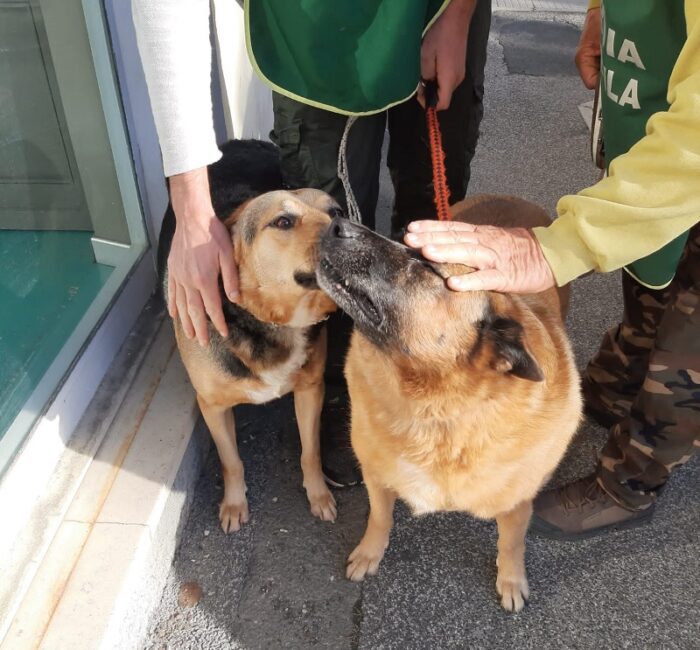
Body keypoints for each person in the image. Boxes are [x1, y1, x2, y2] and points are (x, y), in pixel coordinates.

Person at [132, 0, 492, 485]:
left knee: (430, 213)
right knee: (330, 225)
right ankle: (347, 388)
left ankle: (429, 382)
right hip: (311, 34)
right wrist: (191, 206)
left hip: (432, 8)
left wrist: (457, 15)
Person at [405, 0, 700, 539]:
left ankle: (630, 484)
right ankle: (617, 385)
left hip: (692, 147)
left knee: (691, 339)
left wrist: (554, 249)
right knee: (649, 263)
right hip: (662, 120)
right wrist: (601, 15)